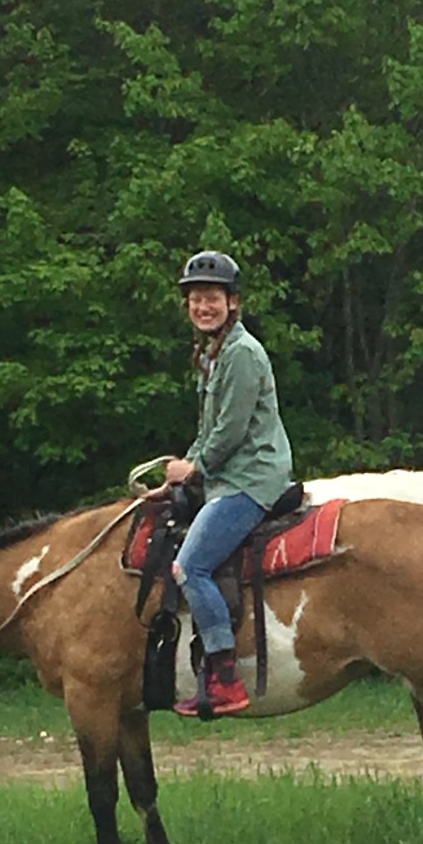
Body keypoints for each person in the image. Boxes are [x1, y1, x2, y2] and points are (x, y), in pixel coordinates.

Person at [154, 250, 293, 716]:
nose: (203, 307)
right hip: (228, 475)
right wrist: (184, 468)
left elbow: (230, 432)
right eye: (195, 299)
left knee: (190, 567)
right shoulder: (213, 355)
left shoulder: (242, 354)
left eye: (212, 297)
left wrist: (193, 469)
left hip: (250, 478)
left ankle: (225, 676)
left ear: (233, 302)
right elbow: (208, 430)